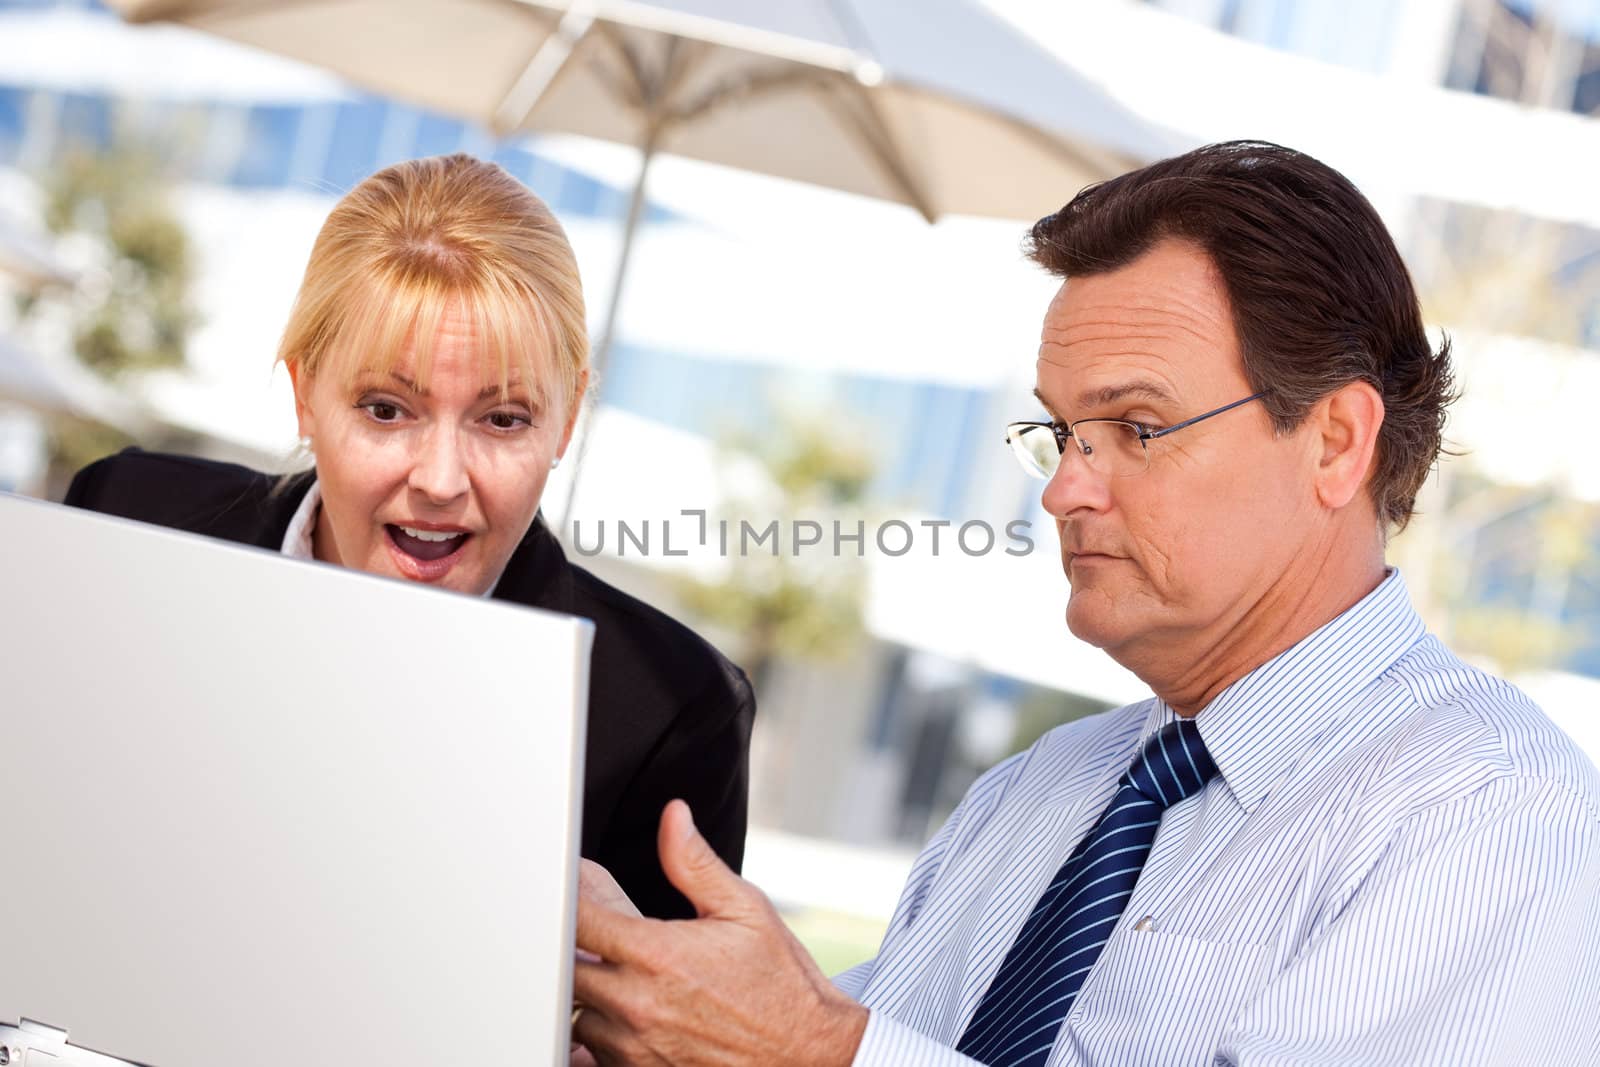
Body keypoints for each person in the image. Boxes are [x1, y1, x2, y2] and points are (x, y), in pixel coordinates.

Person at [569, 141, 1600, 1065]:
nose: (1065, 489)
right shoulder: (1033, 792)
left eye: (1137, 427)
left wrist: (816, 1051)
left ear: (1334, 442)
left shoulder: (1497, 817)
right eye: (1061, 432)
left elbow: (840, 1053)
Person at [63, 153, 754, 921]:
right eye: (387, 409)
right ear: (304, 396)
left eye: (504, 418)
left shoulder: (670, 713)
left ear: (566, 422)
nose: (441, 479)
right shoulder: (123, 519)